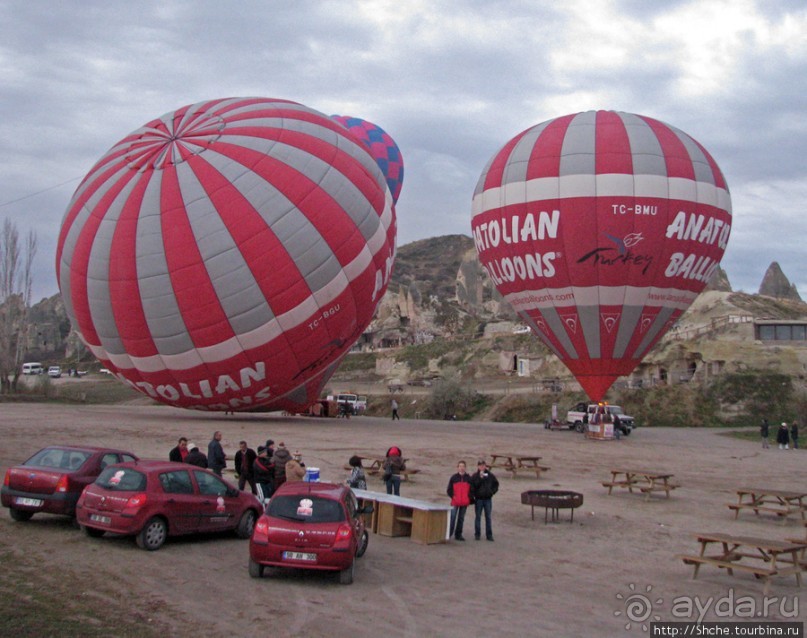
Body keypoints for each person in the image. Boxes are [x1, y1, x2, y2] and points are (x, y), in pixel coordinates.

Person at [470, 458, 499, 541]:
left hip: (488, 499)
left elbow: (496, 485)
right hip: (478, 499)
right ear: (478, 466)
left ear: (485, 466)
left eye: (483, 465)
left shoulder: (490, 475)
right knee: (478, 517)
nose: (482, 467)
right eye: (480, 465)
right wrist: (480, 478)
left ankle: (489, 535)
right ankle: (477, 534)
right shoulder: (475, 476)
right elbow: (473, 486)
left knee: (488, 517)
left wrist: (492, 492)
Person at [446, 460, 472, 541]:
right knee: (452, 517)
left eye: (463, 466)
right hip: (455, 502)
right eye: (460, 466)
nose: (462, 468)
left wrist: (468, 498)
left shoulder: (468, 478)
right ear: (457, 468)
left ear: (465, 468)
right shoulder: (454, 477)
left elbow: (472, 490)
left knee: (461, 518)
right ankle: (449, 534)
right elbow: (449, 490)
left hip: (464, 502)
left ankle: (458, 534)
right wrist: (453, 497)